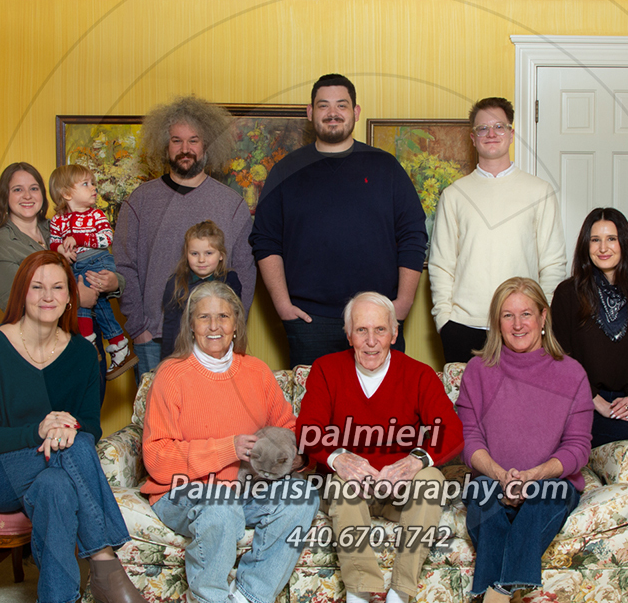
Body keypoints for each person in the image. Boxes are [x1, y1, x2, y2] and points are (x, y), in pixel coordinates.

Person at [0, 251, 161, 603]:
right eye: (37, 287)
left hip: (53, 470)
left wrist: (67, 428)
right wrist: (39, 430)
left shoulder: (83, 354)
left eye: (57, 287)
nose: (47, 296)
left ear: (71, 296)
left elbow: (89, 426)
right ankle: (106, 566)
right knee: (73, 450)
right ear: (22, 293)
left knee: (57, 483)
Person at [141, 282, 319, 603]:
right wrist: (227, 449)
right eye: (203, 317)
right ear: (190, 325)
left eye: (223, 316)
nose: (214, 326)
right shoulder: (172, 375)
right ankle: (205, 601)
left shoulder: (256, 371)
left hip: (245, 487)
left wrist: (292, 455)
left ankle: (248, 594)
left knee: (302, 496)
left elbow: (288, 428)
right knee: (221, 505)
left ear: (236, 323)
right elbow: (157, 459)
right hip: (181, 490)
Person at [296, 292, 463, 603]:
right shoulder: (326, 369)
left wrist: (416, 459)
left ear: (394, 333)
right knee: (342, 486)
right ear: (348, 335)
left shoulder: (417, 374)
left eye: (380, 330)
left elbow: (451, 430)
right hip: (350, 489)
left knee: (431, 481)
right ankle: (358, 602)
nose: (371, 341)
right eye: (361, 330)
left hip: (397, 491)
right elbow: (308, 429)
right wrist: (338, 458)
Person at [250, 74, 427, 367]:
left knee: (381, 396)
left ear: (355, 112)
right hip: (309, 321)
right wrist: (282, 305)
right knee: (316, 398)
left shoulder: (386, 167)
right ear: (310, 112)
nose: (333, 113)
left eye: (341, 105)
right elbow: (265, 240)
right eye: (324, 106)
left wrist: (403, 303)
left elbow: (413, 235)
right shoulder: (285, 171)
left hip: (376, 317)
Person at [456, 278, 591, 603]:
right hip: (492, 476)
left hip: (549, 480)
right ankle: (514, 599)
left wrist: (535, 475)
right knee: (482, 495)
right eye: (508, 316)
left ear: (543, 317)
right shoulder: (478, 370)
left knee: (544, 498)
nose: (518, 325)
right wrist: (500, 475)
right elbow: (469, 439)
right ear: (496, 322)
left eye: (526, 314)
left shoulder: (572, 373)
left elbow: (578, 447)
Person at [115, 96, 255, 383]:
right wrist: (138, 327)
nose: (185, 149)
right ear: (164, 144)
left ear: (206, 145)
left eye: (193, 140)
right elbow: (124, 266)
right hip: (154, 338)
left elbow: (245, 271)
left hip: (214, 338)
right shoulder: (140, 201)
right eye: (176, 140)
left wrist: (230, 326)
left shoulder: (232, 204)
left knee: (212, 410)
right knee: (156, 410)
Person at [429, 97, 567, 363]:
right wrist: (444, 321)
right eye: (483, 128)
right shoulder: (454, 195)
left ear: (511, 134)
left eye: (499, 127)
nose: (491, 134)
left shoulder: (540, 192)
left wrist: (542, 317)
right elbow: (441, 265)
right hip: (464, 326)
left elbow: (553, 263)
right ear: (473, 138)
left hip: (522, 327)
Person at [551, 208, 628, 503]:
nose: (603, 247)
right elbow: (560, 361)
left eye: (611, 239)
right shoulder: (567, 294)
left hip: (621, 405)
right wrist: (598, 403)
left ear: (624, 244)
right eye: (595, 240)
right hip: (579, 407)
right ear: (585, 246)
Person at [0, 162, 124, 311]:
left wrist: (115, 282)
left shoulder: (59, 227)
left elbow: (97, 260)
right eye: (17, 189)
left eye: (34, 189)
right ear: (5, 196)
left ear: (42, 194)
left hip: (89, 321)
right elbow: (15, 303)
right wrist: (76, 298)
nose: (27, 196)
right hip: (43, 327)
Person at [47, 164, 135, 380]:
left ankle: (98, 345)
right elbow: (53, 242)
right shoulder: (58, 220)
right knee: (90, 305)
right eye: (86, 184)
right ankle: (109, 345)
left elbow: (107, 238)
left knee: (88, 302)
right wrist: (61, 250)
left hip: (97, 261)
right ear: (67, 194)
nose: (94, 188)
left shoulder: (96, 215)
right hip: (74, 266)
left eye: (93, 183)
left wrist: (78, 239)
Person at [159, 220, 243, 363]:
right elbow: (170, 326)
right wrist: (167, 361)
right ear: (186, 255)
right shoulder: (176, 282)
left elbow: (235, 321)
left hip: (221, 353)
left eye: (208, 253)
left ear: (221, 255)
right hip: (185, 353)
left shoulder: (230, 280)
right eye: (194, 253)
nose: (201, 260)